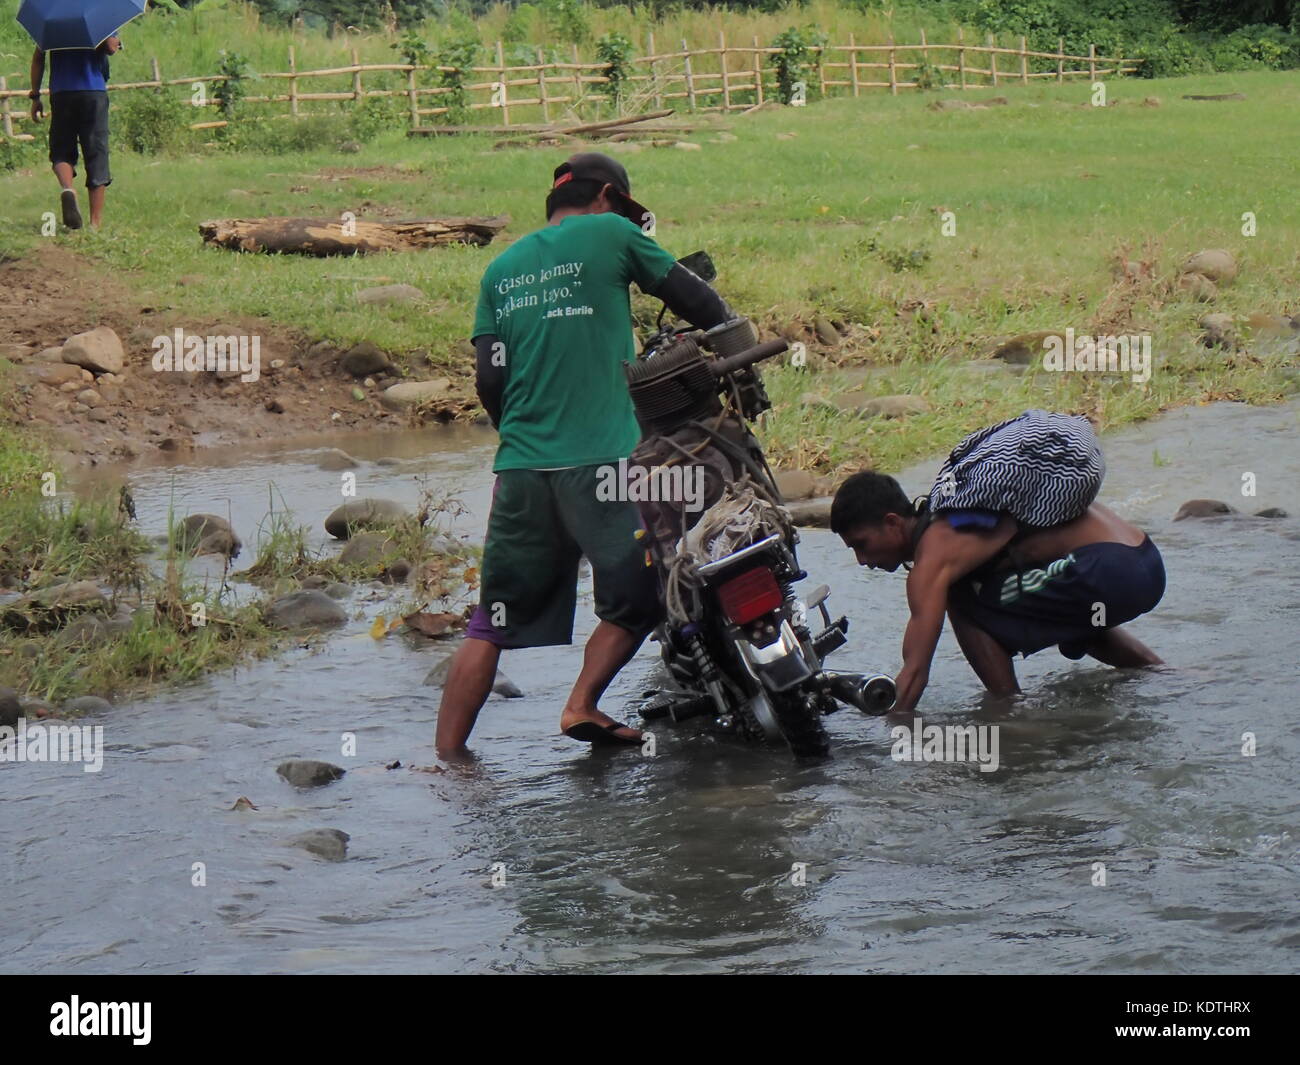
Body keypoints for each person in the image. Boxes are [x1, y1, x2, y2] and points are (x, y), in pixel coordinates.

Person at [435, 152, 734, 758]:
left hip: (520, 470)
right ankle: (581, 704)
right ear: (606, 200)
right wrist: (728, 327)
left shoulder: (502, 269)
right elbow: (698, 303)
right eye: (623, 208)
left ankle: (445, 763)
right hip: (605, 466)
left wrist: (520, 436)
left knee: (491, 623)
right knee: (645, 593)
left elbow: (490, 379)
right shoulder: (613, 234)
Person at [831, 431, 1165, 714]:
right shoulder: (961, 506)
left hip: (1111, 571)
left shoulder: (936, 552)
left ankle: (1008, 709)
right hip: (1146, 563)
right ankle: (1161, 674)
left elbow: (916, 672)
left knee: (961, 598)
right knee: (1066, 621)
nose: (862, 560)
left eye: (862, 543)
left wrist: (882, 736)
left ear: (892, 522)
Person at [29, 33, 121, 230]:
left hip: (61, 92)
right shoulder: (99, 12)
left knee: (61, 149)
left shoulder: (53, 18)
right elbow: (112, 48)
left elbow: (38, 57)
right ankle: (95, 224)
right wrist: (109, 34)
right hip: (93, 91)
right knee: (96, 153)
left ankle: (68, 189)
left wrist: (35, 95)